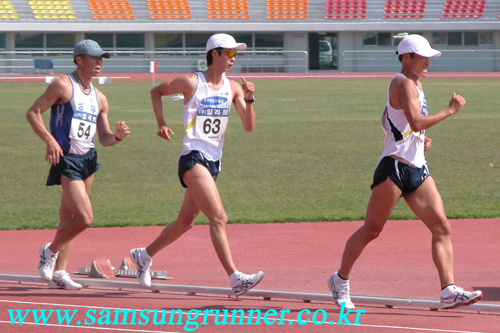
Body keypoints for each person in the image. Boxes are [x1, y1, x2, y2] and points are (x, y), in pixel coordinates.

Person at [327, 34, 483, 310]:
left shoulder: (415, 84)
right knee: (372, 230)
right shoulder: (401, 82)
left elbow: (392, 121)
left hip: (417, 168)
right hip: (394, 167)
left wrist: (419, 140)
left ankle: (448, 290)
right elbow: (416, 120)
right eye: (423, 58)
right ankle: (340, 280)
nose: (428, 63)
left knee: (441, 227)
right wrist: (450, 110)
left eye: (429, 58)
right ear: (406, 57)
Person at [130, 33, 264, 296]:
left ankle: (143, 256)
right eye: (229, 54)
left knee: (186, 222)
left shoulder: (233, 87)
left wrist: (249, 99)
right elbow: (155, 91)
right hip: (193, 157)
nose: (233, 60)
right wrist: (161, 123)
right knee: (218, 217)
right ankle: (236, 278)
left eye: (235, 55)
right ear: (214, 53)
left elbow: (249, 126)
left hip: (214, 161)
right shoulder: (191, 81)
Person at [27, 39, 130, 290]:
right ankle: (48, 252)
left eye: (101, 58)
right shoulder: (63, 85)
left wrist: (117, 136)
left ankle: (60, 272)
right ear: (79, 59)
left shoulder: (100, 97)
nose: (99, 62)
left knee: (69, 217)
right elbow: (33, 112)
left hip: (88, 159)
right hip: (67, 159)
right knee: (84, 219)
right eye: (94, 58)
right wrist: (49, 139)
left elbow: (103, 138)